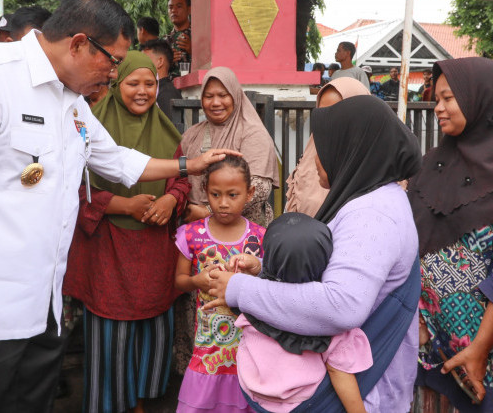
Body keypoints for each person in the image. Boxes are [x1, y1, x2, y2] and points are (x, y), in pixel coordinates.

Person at [0, 0, 234, 413]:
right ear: (78, 43)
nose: (115, 75)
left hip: (42, 307)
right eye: (113, 61)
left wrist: (190, 165)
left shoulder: (72, 102)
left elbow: (114, 159)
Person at [208, 95, 422, 412]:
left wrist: (240, 289)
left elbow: (341, 304)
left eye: (322, 145)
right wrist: (266, 269)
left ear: (350, 149)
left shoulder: (372, 214)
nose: (315, 157)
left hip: (359, 391)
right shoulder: (369, 197)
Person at [63, 51, 190, 413]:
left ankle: (143, 400)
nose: (142, 91)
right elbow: (74, 185)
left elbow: (182, 180)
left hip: (153, 248)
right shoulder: (91, 128)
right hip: (106, 246)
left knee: (153, 325)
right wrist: (124, 206)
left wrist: (170, 200)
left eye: (149, 84)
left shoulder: (167, 130)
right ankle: (109, 403)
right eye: (133, 83)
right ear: (117, 85)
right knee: (110, 332)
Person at [408, 57, 493, 411]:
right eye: (436, 98)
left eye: (448, 98)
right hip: (428, 347)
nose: (437, 107)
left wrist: (480, 347)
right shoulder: (433, 163)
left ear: (483, 100)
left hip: (488, 357)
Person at [236, 212, 372, 413]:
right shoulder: (324, 315)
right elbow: (338, 371)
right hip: (298, 398)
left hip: (253, 388)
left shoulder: (256, 296)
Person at [174, 155, 266, 413]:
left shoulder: (260, 238)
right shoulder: (191, 234)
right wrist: (196, 280)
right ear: (205, 192)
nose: (223, 203)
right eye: (215, 194)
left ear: (250, 194)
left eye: (233, 195)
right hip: (207, 347)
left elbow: (271, 285)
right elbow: (179, 282)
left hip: (249, 348)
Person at [181, 66, 279, 228]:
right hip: (197, 229)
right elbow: (179, 176)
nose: (215, 103)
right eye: (208, 96)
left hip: (243, 231)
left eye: (223, 95)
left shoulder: (253, 133)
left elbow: (259, 188)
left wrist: (208, 211)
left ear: (235, 96)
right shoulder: (191, 135)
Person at [285, 77, 370, 217]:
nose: (329, 122)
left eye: (338, 114)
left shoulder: (382, 169)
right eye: (323, 114)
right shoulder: (312, 153)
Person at [140, 38, 182, 120]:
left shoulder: (167, 93)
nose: (140, 65)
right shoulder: (157, 89)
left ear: (160, 62)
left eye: (144, 60)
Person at [164, 0, 191, 75]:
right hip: (170, 86)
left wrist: (192, 51)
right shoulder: (164, 42)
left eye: (179, 6)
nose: (173, 10)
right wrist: (168, 62)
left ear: (189, 10)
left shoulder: (199, 35)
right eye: (170, 7)